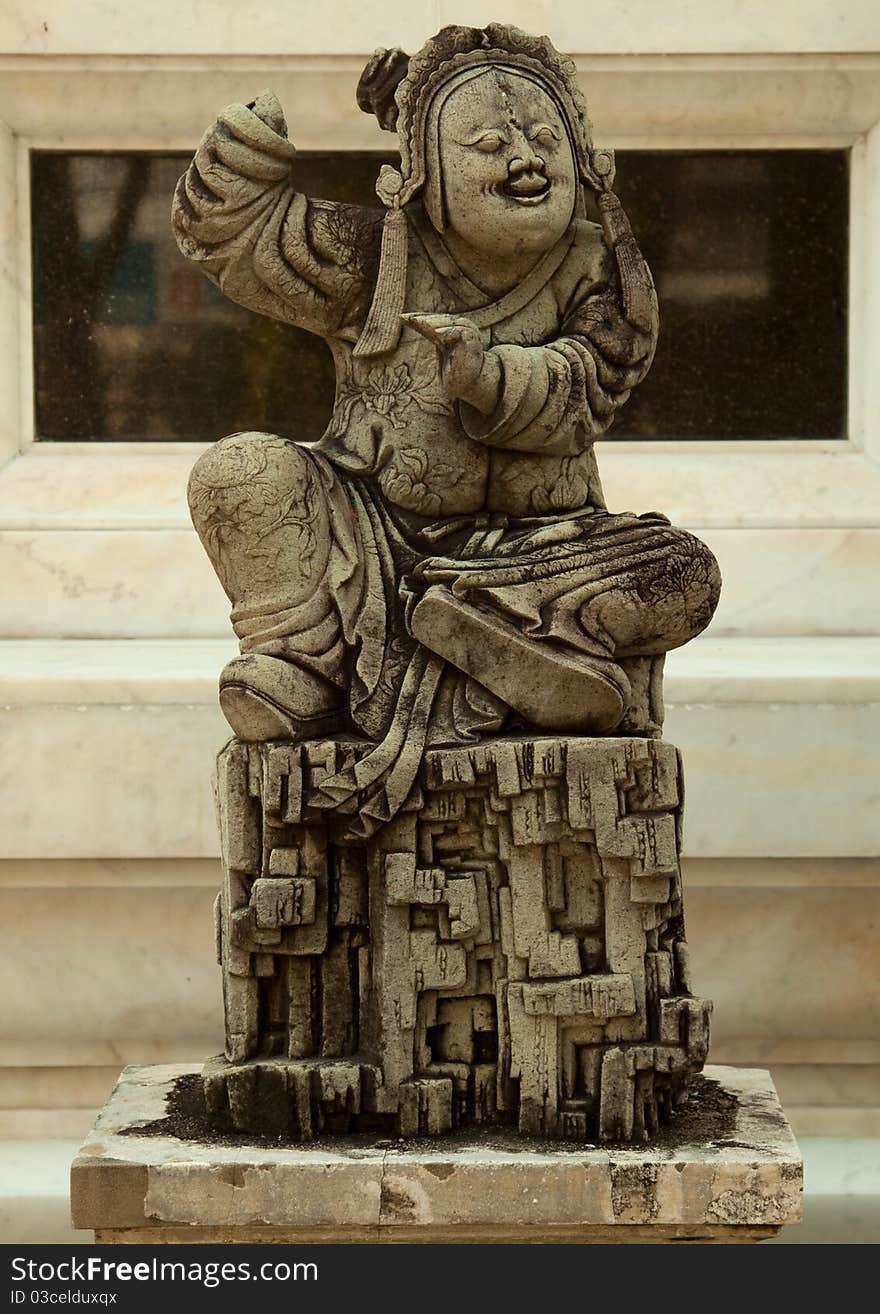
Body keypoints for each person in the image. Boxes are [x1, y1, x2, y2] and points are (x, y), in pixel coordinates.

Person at [173, 23, 720, 829]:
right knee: (239, 473)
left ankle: (498, 634)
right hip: (370, 541)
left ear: (586, 156)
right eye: (488, 144)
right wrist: (244, 152)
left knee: (684, 572)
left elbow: (592, 381)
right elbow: (249, 245)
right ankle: (301, 658)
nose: (525, 160)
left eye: (544, 139)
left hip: (542, 550)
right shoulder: (377, 253)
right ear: (423, 171)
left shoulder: (598, 268)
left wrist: (488, 375)